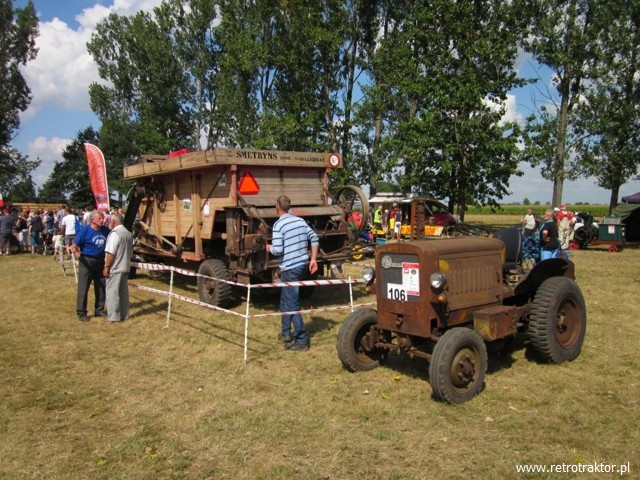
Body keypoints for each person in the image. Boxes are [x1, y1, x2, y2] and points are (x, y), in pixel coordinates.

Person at [266, 195, 319, 351]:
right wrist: (313, 259)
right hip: (302, 265)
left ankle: (302, 341)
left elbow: (278, 250)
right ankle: (286, 332)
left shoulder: (278, 225)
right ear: (289, 207)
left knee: (292, 304)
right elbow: (314, 238)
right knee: (285, 299)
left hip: (290, 268)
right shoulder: (300, 221)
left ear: (277, 207)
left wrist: (267, 247)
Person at [72, 210, 110, 322]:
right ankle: (81, 312)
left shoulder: (105, 230)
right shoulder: (85, 230)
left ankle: (99, 310)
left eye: (102, 218)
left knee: (101, 286)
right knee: (83, 287)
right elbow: (75, 244)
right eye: (99, 218)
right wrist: (76, 252)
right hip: (86, 261)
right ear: (93, 220)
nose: (102, 220)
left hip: (100, 261)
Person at [103, 213, 133, 323]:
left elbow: (111, 252)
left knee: (112, 292)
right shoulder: (128, 233)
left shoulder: (115, 234)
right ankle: (124, 315)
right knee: (123, 293)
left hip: (115, 267)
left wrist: (107, 266)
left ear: (113, 221)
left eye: (110, 221)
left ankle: (113, 317)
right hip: (125, 266)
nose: (109, 223)